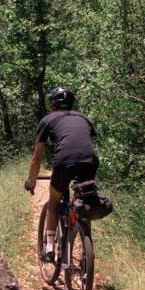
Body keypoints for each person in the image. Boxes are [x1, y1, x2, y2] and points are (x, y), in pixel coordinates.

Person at [25, 86, 98, 261]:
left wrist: (32, 182)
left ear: (53, 104)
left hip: (64, 161)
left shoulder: (47, 120)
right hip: (90, 160)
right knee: (84, 202)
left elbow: (37, 157)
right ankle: (87, 252)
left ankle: (49, 248)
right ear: (71, 103)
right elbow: (87, 144)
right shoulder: (84, 118)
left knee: (54, 200)